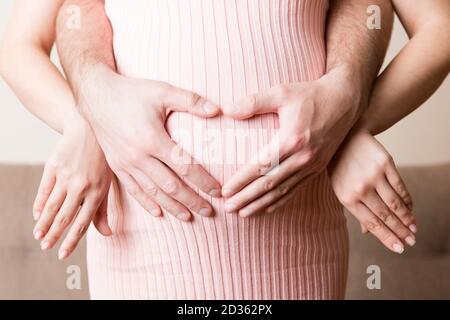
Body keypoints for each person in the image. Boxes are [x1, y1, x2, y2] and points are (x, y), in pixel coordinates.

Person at [0, 0, 447, 299]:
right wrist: (87, 119)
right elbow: (23, 41)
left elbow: (434, 24)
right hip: (141, 248)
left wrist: (348, 123)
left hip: (299, 257)